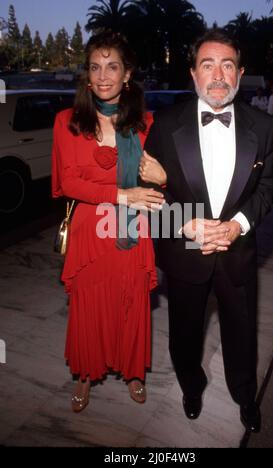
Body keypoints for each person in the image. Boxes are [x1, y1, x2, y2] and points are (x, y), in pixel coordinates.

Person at [140, 29, 273, 433]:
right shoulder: (165, 124)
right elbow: (147, 193)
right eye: (207, 64)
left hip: (238, 255)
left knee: (242, 334)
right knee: (184, 335)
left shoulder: (264, 126)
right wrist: (184, 222)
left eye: (228, 64)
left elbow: (268, 188)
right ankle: (191, 386)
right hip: (185, 255)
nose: (218, 75)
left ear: (240, 73)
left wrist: (237, 226)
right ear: (193, 73)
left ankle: (244, 395)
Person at [52, 31, 165, 412]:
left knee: (131, 302)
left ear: (127, 74)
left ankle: (134, 371)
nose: (103, 76)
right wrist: (122, 194)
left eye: (112, 66)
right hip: (90, 231)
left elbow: (166, 180)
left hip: (134, 230)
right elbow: (70, 182)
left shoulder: (146, 124)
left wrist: (162, 177)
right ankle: (85, 374)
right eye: (95, 67)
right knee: (89, 306)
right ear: (86, 74)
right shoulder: (67, 121)